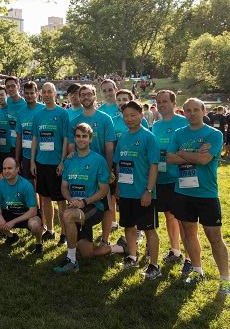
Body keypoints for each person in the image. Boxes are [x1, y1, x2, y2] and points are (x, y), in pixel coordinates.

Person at [167, 98, 230, 294]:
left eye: (196, 110)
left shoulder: (214, 134)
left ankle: (225, 280)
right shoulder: (178, 133)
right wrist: (194, 153)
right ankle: (197, 269)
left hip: (207, 194)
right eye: (188, 110)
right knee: (188, 233)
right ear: (183, 112)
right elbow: (169, 157)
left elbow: (204, 160)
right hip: (183, 192)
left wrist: (183, 152)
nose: (192, 113)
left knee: (214, 236)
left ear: (204, 111)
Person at [54, 123, 116, 273]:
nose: (81, 139)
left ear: (90, 139)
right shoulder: (69, 161)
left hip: (94, 207)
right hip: (75, 205)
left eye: (84, 136)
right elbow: (64, 187)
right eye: (78, 136)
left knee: (66, 215)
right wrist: (70, 199)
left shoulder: (98, 160)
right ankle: (120, 248)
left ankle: (71, 261)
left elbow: (104, 189)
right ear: (74, 139)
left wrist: (84, 202)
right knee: (88, 254)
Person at [114, 101, 161, 278]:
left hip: (143, 193)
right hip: (126, 192)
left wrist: (148, 190)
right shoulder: (123, 137)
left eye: (133, 115)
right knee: (128, 226)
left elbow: (154, 166)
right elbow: (119, 164)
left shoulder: (149, 137)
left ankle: (154, 265)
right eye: (126, 116)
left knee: (149, 229)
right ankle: (132, 257)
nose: (129, 119)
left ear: (141, 115)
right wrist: (118, 185)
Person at [67, 84, 116, 246]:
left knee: (107, 206)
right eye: (83, 95)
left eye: (89, 94)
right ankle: (83, 236)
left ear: (94, 96)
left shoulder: (104, 119)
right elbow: (71, 148)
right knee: (84, 201)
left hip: (101, 169)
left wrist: (108, 170)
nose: (86, 97)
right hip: (81, 171)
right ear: (79, 98)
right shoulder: (74, 121)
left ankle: (105, 239)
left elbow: (109, 147)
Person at [30, 82, 70, 244]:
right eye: (44, 92)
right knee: (45, 198)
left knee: (61, 201)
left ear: (55, 93)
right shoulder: (38, 115)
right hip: (41, 162)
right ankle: (50, 230)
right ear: (41, 94)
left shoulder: (62, 114)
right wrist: (32, 160)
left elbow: (66, 138)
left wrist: (62, 161)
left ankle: (65, 234)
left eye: (49, 92)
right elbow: (34, 139)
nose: (46, 94)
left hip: (57, 164)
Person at [152, 90, 189, 264]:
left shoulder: (184, 123)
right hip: (162, 178)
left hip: (180, 178)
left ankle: (190, 258)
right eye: (158, 102)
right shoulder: (156, 125)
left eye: (165, 101)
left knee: (183, 219)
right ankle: (175, 250)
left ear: (174, 103)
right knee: (169, 215)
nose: (161, 105)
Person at [0, 157, 43, 254]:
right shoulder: (0, 183)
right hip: (9, 212)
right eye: (4, 168)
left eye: (10, 168)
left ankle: (39, 243)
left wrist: (13, 222)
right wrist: (0, 217)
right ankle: (11, 236)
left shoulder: (26, 185)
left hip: (26, 215)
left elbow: (33, 211)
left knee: (35, 225)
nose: (6, 171)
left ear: (17, 169)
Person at [15, 81, 45, 179]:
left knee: (41, 189)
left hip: (42, 155)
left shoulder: (44, 109)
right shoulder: (20, 112)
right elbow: (19, 138)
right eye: (26, 93)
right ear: (23, 93)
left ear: (37, 93)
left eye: (32, 93)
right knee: (29, 184)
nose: (29, 95)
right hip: (26, 155)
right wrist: (17, 159)